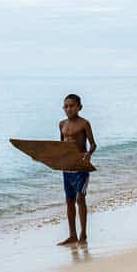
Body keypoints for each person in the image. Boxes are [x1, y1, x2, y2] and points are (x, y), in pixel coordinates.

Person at [58, 93, 97, 246]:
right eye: (66, 106)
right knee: (69, 201)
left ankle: (83, 234)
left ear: (79, 107)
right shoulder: (62, 124)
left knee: (80, 199)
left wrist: (88, 155)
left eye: (72, 106)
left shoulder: (84, 123)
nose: (68, 109)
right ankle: (72, 235)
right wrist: (44, 156)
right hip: (67, 168)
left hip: (81, 167)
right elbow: (60, 147)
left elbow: (93, 144)